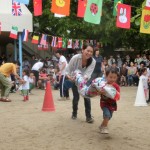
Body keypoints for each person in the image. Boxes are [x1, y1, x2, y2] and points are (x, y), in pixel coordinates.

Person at [66, 44, 96, 123]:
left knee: (87, 97)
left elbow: (88, 74)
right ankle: (74, 113)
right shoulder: (75, 58)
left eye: (91, 52)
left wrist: (82, 81)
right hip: (74, 79)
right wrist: (71, 78)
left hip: (85, 80)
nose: (89, 53)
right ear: (83, 50)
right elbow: (67, 71)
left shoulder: (93, 61)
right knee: (76, 97)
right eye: (87, 50)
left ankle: (88, 117)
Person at [99, 67, 120, 134]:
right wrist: (100, 92)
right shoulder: (103, 84)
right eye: (110, 77)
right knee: (107, 115)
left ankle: (101, 125)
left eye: (114, 77)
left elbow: (118, 96)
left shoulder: (116, 86)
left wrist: (115, 95)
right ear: (106, 76)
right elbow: (98, 92)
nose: (112, 79)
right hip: (104, 103)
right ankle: (104, 127)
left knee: (109, 116)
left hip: (112, 104)